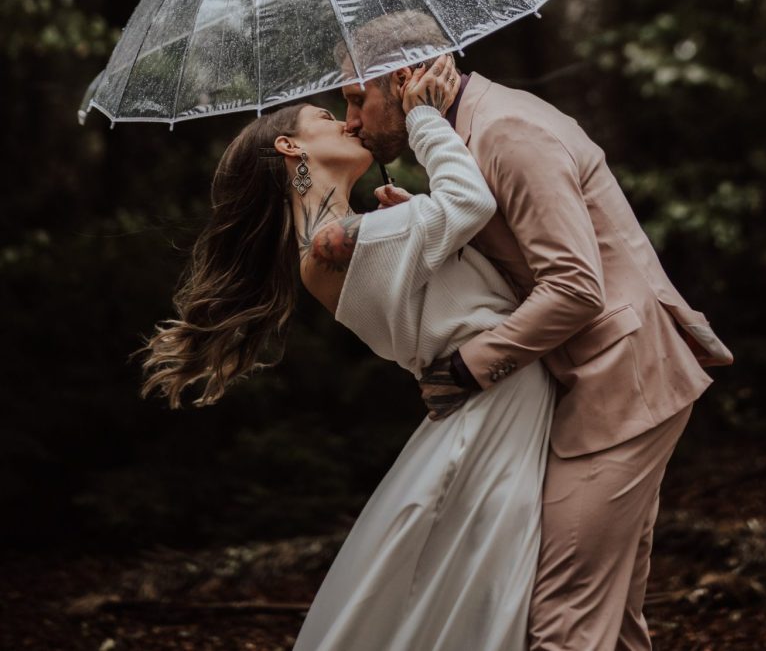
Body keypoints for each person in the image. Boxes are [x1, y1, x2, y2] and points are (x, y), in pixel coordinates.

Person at [137, 56, 556, 651]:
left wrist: (411, 214)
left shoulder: (340, 237)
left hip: (489, 395)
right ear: (291, 146)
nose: (351, 124)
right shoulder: (333, 243)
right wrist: (426, 120)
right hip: (494, 403)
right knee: (478, 593)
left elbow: (446, 286)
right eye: (327, 117)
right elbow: (470, 206)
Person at [342, 38, 734, 651]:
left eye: (355, 99)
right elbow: (526, 249)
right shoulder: (478, 131)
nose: (351, 121)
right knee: (613, 619)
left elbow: (576, 288)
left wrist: (467, 368)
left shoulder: (508, 132)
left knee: (559, 623)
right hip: (598, 381)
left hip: (621, 384)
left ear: (403, 77)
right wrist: (427, 211)